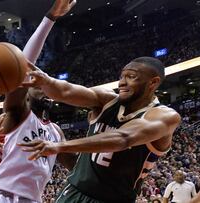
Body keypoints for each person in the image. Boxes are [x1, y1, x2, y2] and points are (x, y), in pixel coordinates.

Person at [19, 56, 181, 202]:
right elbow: (65, 91)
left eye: (131, 77)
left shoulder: (164, 116)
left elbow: (123, 138)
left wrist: (59, 146)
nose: (122, 82)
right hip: (73, 192)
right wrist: (47, 82)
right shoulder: (107, 100)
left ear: (153, 83)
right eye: (121, 77)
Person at [0, 0, 77, 202]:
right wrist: (50, 18)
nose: (42, 88)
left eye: (44, 85)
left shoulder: (56, 131)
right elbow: (21, 66)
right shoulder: (16, 114)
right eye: (35, 86)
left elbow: (77, 166)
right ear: (25, 92)